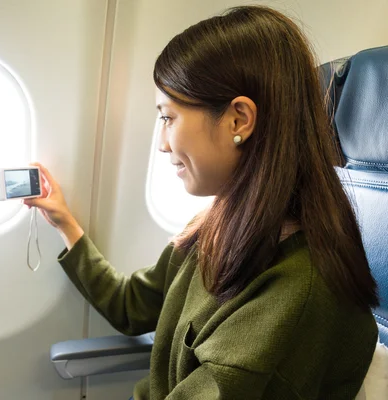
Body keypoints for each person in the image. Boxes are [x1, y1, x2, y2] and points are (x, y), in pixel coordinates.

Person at [25, 5, 379, 399]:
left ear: (238, 120)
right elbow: (131, 307)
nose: (161, 143)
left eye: (168, 117)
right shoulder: (216, 227)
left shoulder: (294, 298)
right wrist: (64, 223)